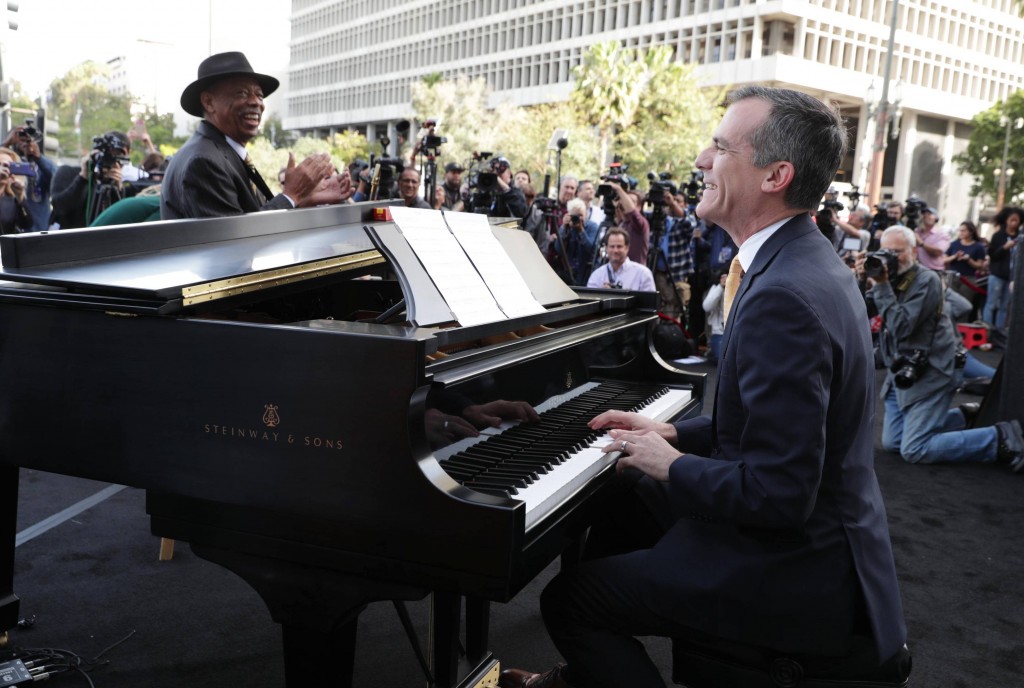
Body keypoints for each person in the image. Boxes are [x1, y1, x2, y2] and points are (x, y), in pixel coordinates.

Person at [500, 86, 910, 688]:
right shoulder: (799, 260)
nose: (700, 160)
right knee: (628, 499)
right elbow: (765, 432)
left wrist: (670, 463)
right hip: (820, 534)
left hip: (794, 563)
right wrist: (671, 432)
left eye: (719, 147)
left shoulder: (782, 296)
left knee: (572, 600)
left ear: (776, 175)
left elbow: (779, 493)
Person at [865, 225, 1023, 470]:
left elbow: (901, 327)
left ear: (914, 251)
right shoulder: (889, 279)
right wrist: (861, 279)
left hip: (933, 370)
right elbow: (861, 312)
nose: (892, 257)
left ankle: (998, 437)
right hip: (903, 371)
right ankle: (965, 417)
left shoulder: (925, 279)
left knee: (914, 449)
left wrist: (882, 286)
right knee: (893, 442)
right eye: (886, 251)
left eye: (898, 251)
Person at [161, 52, 350, 220]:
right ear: (209, 102)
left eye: (259, 95)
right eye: (242, 93)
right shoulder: (204, 161)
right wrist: (292, 195)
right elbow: (232, 242)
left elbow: (250, 214)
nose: (255, 102)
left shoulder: (224, 153)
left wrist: (304, 199)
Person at [50, 130, 131, 229]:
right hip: (70, 240)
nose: (111, 161)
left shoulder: (123, 186)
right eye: (108, 154)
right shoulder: (68, 172)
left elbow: (121, 222)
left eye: (118, 155)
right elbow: (59, 208)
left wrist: (118, 189)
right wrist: (83, 178)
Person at [2, 123, 57, 232]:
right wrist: (6, 143)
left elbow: (57, 181)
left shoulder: (41, 167)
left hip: (38, 231)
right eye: (20, 140)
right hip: (11, 231)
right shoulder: (6, 165)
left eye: (28, 141)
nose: (25, 144)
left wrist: (38, 157)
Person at [982, 205, 1022, 329]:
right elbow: (992, 254)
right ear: (1006, 220)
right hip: (997, 275)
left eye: (1017, 220)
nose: (1014, 223)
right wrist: (1005, 247)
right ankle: (987, 330)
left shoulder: (1020, 237)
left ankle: (999, 332)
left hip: (1012, 277)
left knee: (1004, 306)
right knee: (991, 304)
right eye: (1012, 220)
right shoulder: (998, 236)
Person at [943, 220, 987, 321]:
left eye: (964, 231)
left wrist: (968, 260)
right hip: (953, 277)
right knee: (950, 304)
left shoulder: (978, 247)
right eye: (960, 231)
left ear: (971, 232)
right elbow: (944, 259)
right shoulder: (954, 244)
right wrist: (954, 256)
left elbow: (979, 265)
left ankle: (962, 328)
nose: (961, 233)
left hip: (969, 279)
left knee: (965, 305)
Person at [585, 228, 654, 291]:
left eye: (619, 246)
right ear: (606, 248)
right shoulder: (597, 275)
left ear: (627, 248)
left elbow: (650, 303)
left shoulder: (643, 274)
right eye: (612, 246)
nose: (615, 250)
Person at [550, 198, 598, 287]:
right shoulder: (567, 226)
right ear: (568, 215)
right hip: (568, 274)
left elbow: (591, 250)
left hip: (585, 273)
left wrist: (581, 231)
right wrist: (564, 227)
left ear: (586, 214)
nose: (578, 218)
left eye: (581, 215)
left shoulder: (592, 227)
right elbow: (558, 249)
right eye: (574, 216)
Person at [0, 148, 33, 235]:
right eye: (0, 165)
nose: (4, 170)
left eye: (8, 166)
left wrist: (20, 198)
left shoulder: (11, 200)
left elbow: (27, 224)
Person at [913, 207, 950, 271]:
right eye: (924, 214)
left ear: (936, 218)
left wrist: (921, 243)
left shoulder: (942, 234)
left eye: (930, 214)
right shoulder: (917, 231)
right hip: (917, 269)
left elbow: (938, 252)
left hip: (933, 270)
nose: (926, 216)